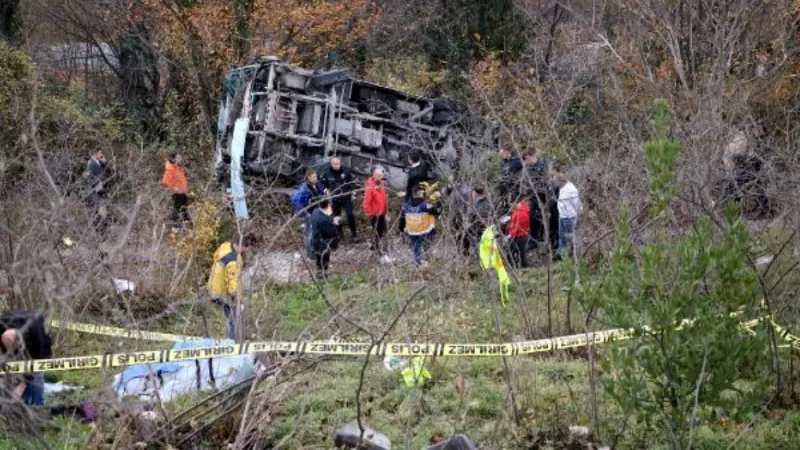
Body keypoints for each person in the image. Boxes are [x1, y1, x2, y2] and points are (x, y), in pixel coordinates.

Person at [0, 311, 53, 406]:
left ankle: (38, 407)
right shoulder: (2, 324)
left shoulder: (36, 336)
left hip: (37, 352)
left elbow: (36, 364)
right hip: (17, 324)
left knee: (36, 377)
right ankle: (19, 402)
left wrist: (21, 386)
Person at [208, 236, 251, 340]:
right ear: (242, 246)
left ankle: (225, 337)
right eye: (246, 248)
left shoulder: (225, 246)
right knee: (234, 318)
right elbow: (233, 283)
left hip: (213, 287)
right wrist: (237, 300)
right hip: (222, 292)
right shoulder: (234, 260)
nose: (247, 251)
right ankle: (231, 343)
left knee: (226, 316)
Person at [399, 184, 439, 267]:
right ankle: (426, 260)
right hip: (424, 230)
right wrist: (437, 202)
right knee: (427, 244)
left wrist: (401, 229)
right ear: (421, 193)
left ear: (413, 194)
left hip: (411, 230)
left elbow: (402, 218)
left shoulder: (406, 205)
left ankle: (417, 262)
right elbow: (436, 212)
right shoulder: (426, 204)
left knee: (415, 246)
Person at [320, 157, 358, 240]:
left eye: (338, 164)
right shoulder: (326, 173)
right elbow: (322, 184)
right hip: (334, 198)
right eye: (335, 164)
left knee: (350, 215)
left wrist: (352, 192)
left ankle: (355, 235)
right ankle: (340, 236)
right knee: (336, 217)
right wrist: (326, 191)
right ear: (331, 164)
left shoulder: (346, 171)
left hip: (346, 197)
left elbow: (352, 183)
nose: (337, 166)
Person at [291, 170, 325, 256]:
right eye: (313, 177)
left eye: (316, 177)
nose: (315, 179)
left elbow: (321, 194)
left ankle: (317, 249)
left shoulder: (317, 185)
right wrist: (303, 211)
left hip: (317, 211)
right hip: (309, 213)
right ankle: (310, 253)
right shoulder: (304, 188)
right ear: (308, 178)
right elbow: (295, 199)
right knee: (310, 233)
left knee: (317, 232)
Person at [309, 198, 341, 279]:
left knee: (319, 260)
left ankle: (319, 274)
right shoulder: (324, 220)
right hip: (323, 244)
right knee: (324, 260)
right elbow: (330, 233)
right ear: (328, 205)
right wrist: (335, 224)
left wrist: (331, 219)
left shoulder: (315, 211)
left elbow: (325, 218)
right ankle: (323, 276)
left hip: (316, 241)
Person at [523, 152, 549, 249]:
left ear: (528, 157)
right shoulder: (529, 169)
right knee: (532, 218)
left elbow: (545, 182)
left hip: (544, 197)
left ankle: (546, 240)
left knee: (546, 219)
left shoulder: (542, 166)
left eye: (525, 161)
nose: (525, 164)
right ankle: (534, 240)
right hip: (533, 197)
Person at [554, 172, 582, 260]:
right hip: (562, 216)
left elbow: (577, 204)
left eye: (555, 182)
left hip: (570, 217)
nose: (554, 184)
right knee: (562, 236)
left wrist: (578, 214)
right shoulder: (562, 188)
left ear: (560, 181)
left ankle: (573, 255)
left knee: (569, 237)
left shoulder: (571, 190)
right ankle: (561, 254)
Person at [363, 167, 389, 257]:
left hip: (382, 212)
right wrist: (369, 213)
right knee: (376, 232)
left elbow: (382, 197)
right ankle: (375, 249)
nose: (381, 177)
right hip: (375, 214)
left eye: (382, 176)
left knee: (381, 231)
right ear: (374, 175)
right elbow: (366, 201)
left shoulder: (380, 182)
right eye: (379, 176)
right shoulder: (370, 186)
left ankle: (377, 247)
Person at [162, 152, 190, 225]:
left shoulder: (178, 168)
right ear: (173, 159)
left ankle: (186, 228)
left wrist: (185, 172)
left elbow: (184, 178)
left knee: (184, 211)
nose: (181, 159)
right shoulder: (170, 168)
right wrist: (174, 188)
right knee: (177, 212)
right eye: (179, 158)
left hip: (182, 193)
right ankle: (174, 229)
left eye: (181, 158)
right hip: (177, 194)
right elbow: (165, 182)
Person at [463, 186, 490, 257]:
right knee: (467, 237)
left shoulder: (482, 203)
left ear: (475, 193)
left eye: (472, 193)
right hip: (477, 225)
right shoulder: (479, 202)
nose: (471, 195)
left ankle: (479, 257)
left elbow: (481, 214)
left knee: (474, 240)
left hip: (480, 225)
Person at [86, 150, 108, 232]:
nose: (102, 155)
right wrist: (99, 186)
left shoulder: (99, 162)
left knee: (102, 204)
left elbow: (106, 167)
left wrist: (103, 160)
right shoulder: (91, 163)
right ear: (95, 154)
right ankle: (99, 226)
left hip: (100, 186)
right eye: (100, 153)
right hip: (96, 187)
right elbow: (91, 177)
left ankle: (102, 223)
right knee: (99, 205)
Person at [508, 197, 531, 268]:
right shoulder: (521, 209)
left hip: (519, 235)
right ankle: (521, 265)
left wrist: (510, 235)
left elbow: (518, 227)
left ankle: (521, 265)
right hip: (520, 234)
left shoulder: (521, 214)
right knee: (520, 251)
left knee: (518, 251)